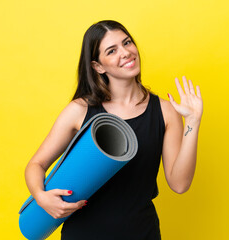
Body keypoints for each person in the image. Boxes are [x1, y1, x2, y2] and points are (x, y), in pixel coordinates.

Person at [24, 20, 203, 240]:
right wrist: (41, 197)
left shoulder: (165, 111)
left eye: (127, 43)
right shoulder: (79, 111)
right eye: (112, 50)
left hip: (141, 233)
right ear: (98, 66)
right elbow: (36, 165)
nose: (126, 52)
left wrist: (192, 122)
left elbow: (180, 184)